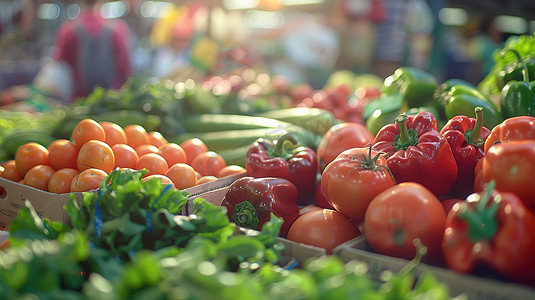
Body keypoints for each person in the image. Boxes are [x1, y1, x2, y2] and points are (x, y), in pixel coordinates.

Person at [49, 0, 133, 101]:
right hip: (111, 100)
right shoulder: (118, 29)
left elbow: (60, 62)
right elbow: (126, 69)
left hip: (79, 101)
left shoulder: (68, 29)